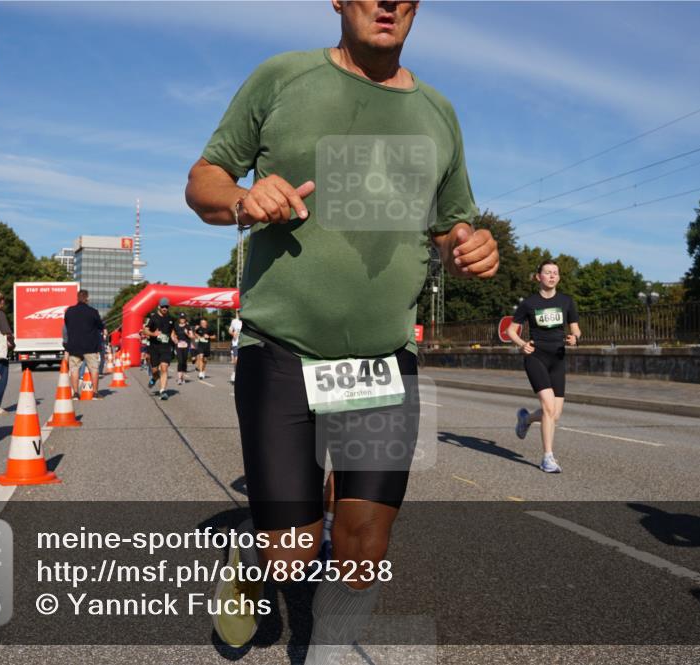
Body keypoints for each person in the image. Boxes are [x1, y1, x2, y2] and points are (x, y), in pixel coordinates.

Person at [185, 0, 499, 655]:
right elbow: (203, 180)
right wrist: (243, 199)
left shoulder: (439, 112)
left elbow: (452, 221)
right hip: (281, 350)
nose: (387, 2)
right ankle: (254, 556)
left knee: (363, 548)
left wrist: (470, 244)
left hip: (381, 360)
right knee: (292, 550)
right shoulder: (283, 77)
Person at [508, 260, 581, 473]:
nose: (552, 276)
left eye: (555, 273)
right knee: (548, 408)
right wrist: (522, 345)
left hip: (558, 359)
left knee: (555, 414)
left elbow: (576, 330)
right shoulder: (529, 303)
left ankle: (526, 418)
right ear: (538, 276)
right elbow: (512, 330)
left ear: (558, 277)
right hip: (536, 357)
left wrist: (575, 338)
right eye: (547, 272)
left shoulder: (567, 301)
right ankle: (547, 457)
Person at [63, 289, 105, 399]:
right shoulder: (93, 311)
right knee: (94, 369)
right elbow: (100, 326)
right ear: (87, 298)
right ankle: (95, 392)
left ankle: (76, 393)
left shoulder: (69, 311)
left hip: (74, 346)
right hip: (90, 346)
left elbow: (67, 325)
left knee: (74, 369)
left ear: (77, 298)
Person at [142, 298, 176, 399]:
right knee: (155, 371)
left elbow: (172, 331)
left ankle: (163, 391)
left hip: (166, 347)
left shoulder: (171, 319)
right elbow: (145, 331)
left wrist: (174, 338)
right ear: (159, 307)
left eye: (166, 307)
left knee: (164, 368)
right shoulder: (153, 318)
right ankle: (154, 378)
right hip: (154, 348)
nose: (165, 308)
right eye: (163, 307)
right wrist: (153, 334)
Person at [173, 313, 193, 385]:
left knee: (184, 361)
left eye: (183, 318)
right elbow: (173, 335)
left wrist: (187, 333)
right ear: (179, 319)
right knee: (180, 361)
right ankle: (179, 378)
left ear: (185, 319)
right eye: (181, 318)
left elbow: (192, 336)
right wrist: (175, 339)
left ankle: (183, 378)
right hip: (178, 345)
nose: (182, 319)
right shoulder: (176, 326)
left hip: (186, 345)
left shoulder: (188, 326)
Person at [229, 313, 243, 384]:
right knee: (236, 360)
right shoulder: (234, 321)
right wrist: (233, 334)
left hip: (245, 343)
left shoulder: (246, 321)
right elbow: (230, 330)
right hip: (236, 343)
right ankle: (234, 373)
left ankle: (241, 375)